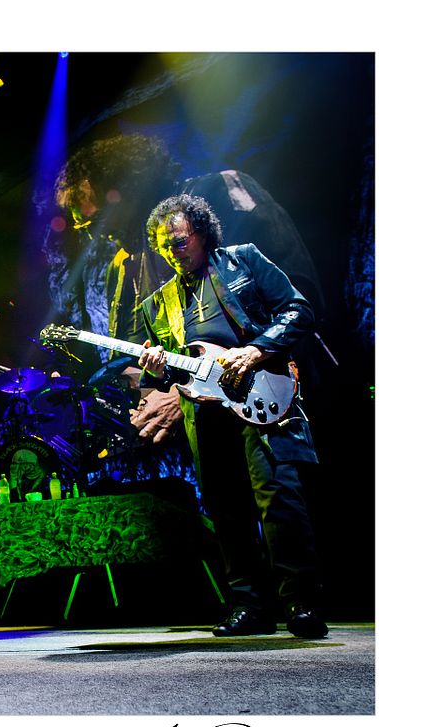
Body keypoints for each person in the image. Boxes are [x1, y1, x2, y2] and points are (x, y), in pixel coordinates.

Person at [50, 133, 327, 445]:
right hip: (209, 435)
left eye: (97, 220)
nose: (97, 236)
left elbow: (299, 297)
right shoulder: (125, 265)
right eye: (84, 228)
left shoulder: (218, 192)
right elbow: (137, 357)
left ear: (127, 187)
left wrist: (182, 396)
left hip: (283, 407)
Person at [135, 194, 326, 638]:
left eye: (178, 242)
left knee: (277, 498)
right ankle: (249, 604)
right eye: (163, 246)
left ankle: (299, 601)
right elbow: (171, 377)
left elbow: (299, 311)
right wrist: (158, 371)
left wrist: (258, 349)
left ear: (201, 233)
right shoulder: (155, 306)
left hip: (261, 393)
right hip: (205, 410)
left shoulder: (242, 261)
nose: (171, 252)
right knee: (225, 507)